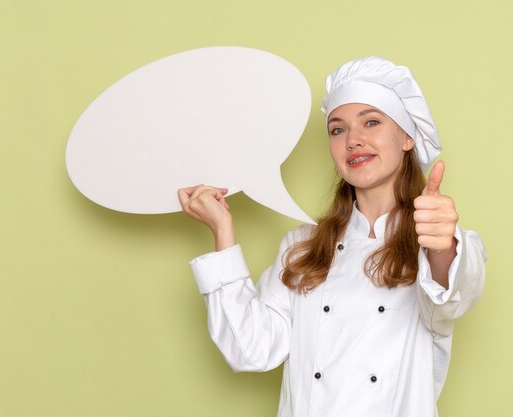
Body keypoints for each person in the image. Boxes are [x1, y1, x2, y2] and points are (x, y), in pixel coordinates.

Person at [178, 56, 486, 417]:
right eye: (337, 129)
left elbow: (452, 294)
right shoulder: (301, 246)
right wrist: (222, 231)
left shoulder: (439, 244)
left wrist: (442, 244)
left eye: (371, 122)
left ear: (407, 137)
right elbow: (251, 350)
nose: (353, 140)